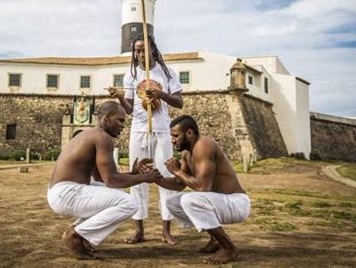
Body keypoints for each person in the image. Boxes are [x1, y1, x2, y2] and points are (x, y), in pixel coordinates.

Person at [47, 101, 162, 260]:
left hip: (62, 193)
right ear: (107, 118)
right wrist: (144, 177)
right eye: (120, 120)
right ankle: (76, 235)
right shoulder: (103, 137)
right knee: (130, 203)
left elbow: (101, 178)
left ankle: (81, 233)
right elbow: (111, 180)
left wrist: (133, 173)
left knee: (117, 193)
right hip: (67, 193)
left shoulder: (91, 134)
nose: (123, 126)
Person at [108, 34, 184, 244]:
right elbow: (131, 110)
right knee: (137, 180)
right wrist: (121, 97)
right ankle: (139, 229)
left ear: (153, 49)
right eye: (137, 50)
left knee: (164, 177)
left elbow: (179, 102)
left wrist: (161, 95)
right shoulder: (130, 75)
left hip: (161, 131)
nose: (140, 54)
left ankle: (166, 230)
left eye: (144, 49)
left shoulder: (167, 73)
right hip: (138, 132)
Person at [157, 115, 251, 264]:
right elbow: (178, 184)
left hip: (236, 203)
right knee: (172, 202)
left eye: (175, 136)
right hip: (219, 203)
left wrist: (177, 171)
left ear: (189, 133)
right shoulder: (187, 153)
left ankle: (228, 248)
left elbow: (202, 187)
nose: (172, 140)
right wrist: (154, 178)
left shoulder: (204, 145)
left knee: (189, 200)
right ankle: (215, 238)